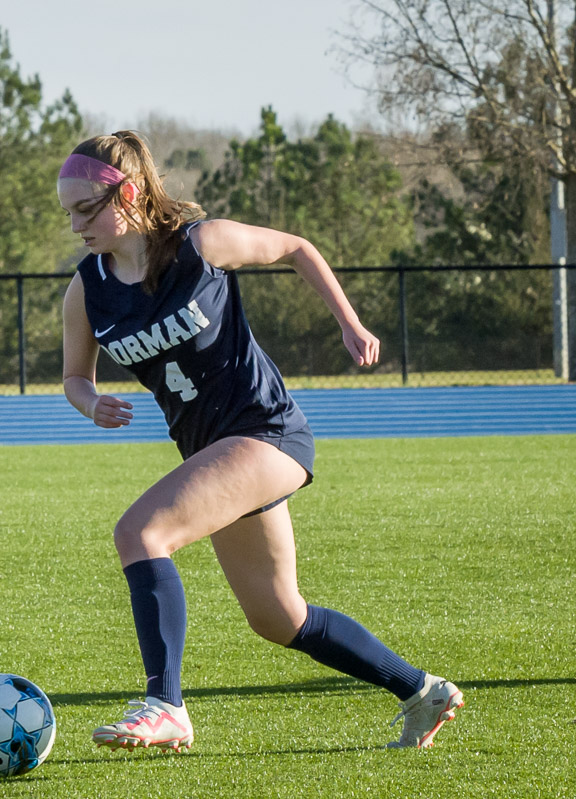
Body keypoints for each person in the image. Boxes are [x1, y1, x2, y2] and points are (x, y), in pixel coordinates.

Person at [57, 131, 462, 750]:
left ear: (129, 193)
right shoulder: (86, 289)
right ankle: (421, 689)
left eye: (85, 208)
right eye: (69, 212)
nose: (76, 224)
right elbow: (73, 378)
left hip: (266, 434)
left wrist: (350, 324)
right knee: (279, 618)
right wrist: (91, 405)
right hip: (214, 454)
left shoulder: (201, 243)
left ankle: (165, 705)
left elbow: (297, 247)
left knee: (140, 533)